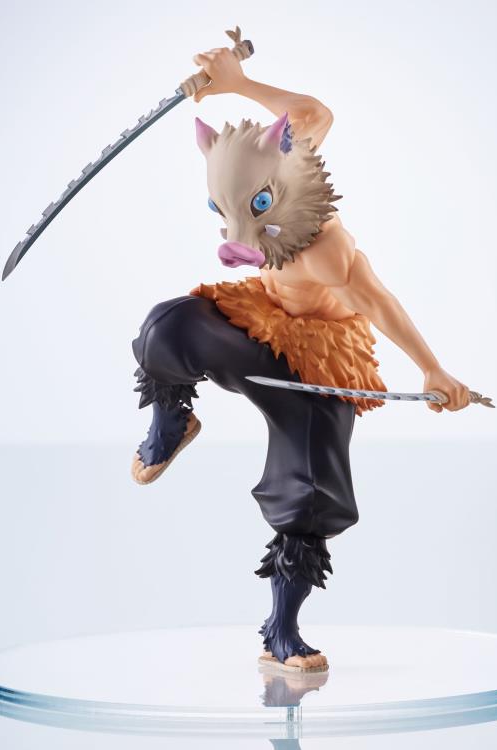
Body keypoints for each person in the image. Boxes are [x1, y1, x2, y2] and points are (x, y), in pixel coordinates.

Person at [131, 47, 470, 671]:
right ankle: (172, 422)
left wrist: (432, 368)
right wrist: (235, 82)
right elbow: (313, 113)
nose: (234, 233)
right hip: (262, 318)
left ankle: (281, 630)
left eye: (255, 208)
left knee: (309, 492)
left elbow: (379, 302)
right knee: (166, 327)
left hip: (315, 362)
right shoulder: (278, 154)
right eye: (222, 213)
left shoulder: (326, 249)